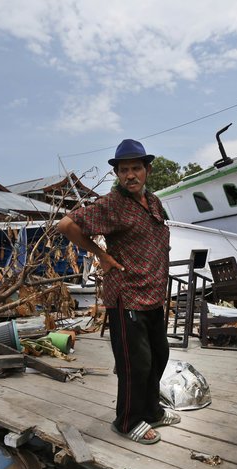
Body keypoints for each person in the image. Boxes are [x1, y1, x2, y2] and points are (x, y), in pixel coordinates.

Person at [56, 139, 180, 444]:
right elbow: (66, 225)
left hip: (153, 293)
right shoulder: (112, 204)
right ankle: (127, 421)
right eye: (124, 170)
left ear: (147, 170)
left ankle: (151, 410)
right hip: (127, 295)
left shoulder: (153, 201)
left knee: (159, 356)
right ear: (118, 174)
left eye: (136, 168)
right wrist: (101, 254)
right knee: (135, 363)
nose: (130, 175)